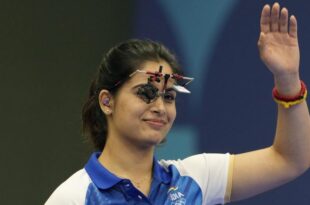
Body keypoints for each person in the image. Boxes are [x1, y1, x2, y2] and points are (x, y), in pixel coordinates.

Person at [45, 2, 310, 205]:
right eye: (145, 93)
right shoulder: (73, 197)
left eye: (169, 96)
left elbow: (290, 158)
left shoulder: (195, 179)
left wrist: (287, 78)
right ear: (107, 101)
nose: (160, 106)